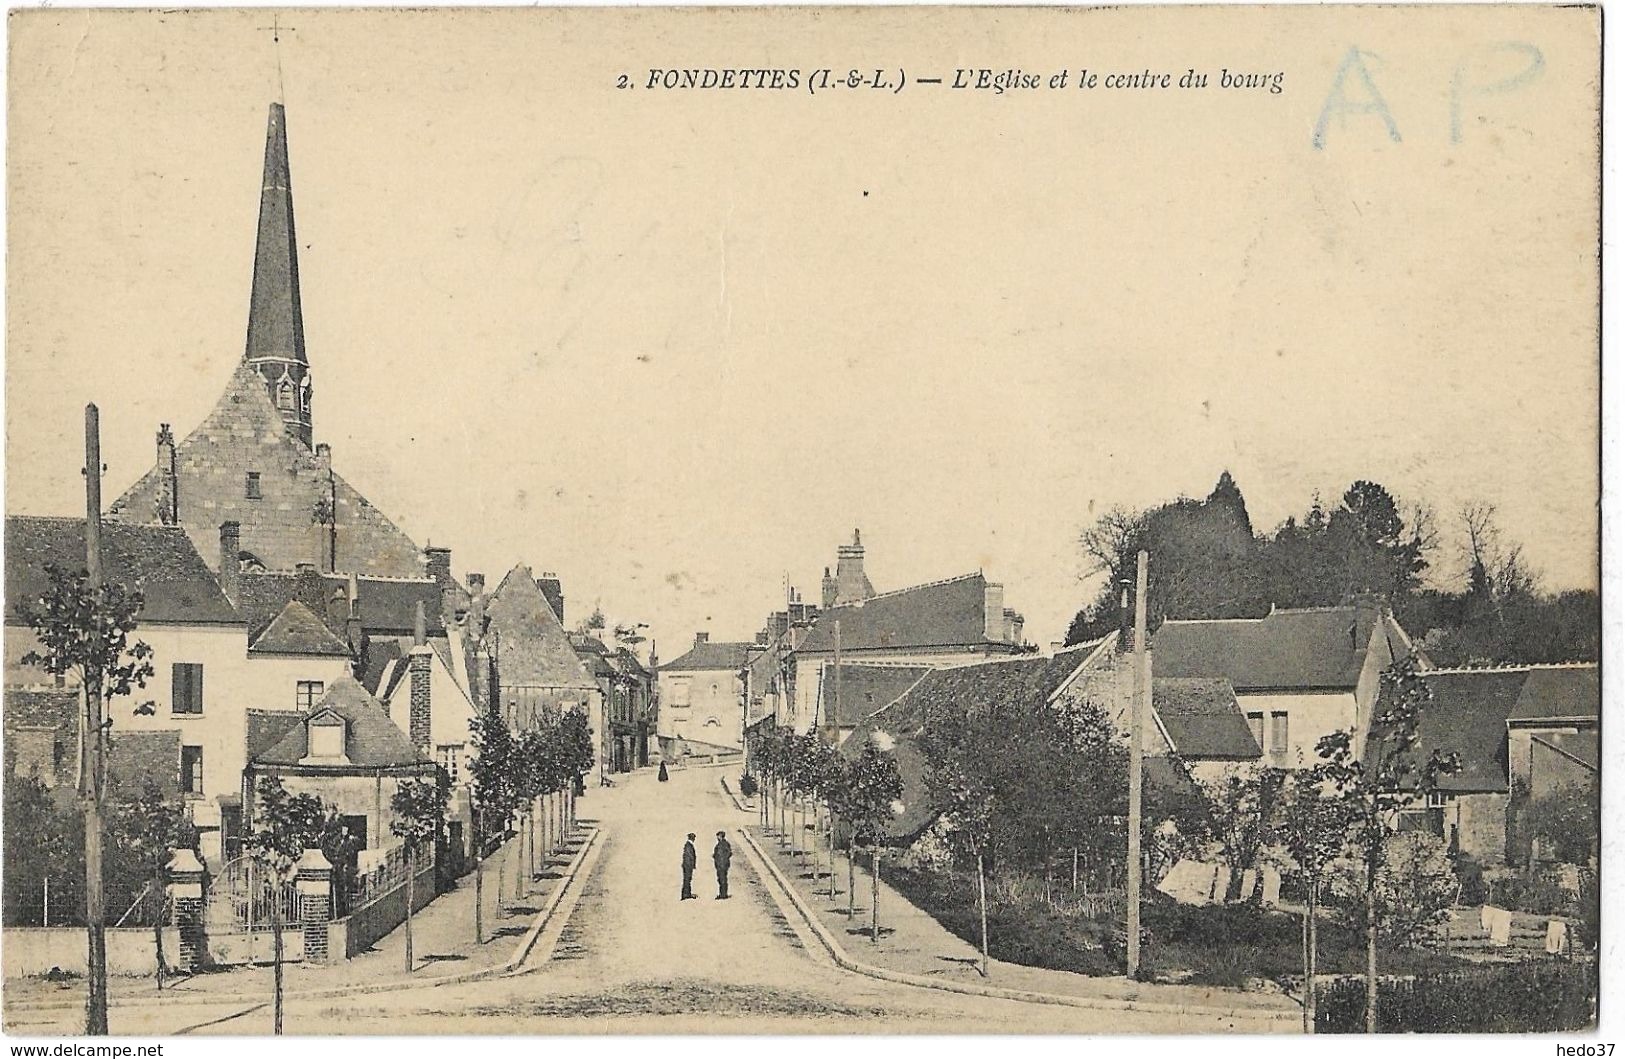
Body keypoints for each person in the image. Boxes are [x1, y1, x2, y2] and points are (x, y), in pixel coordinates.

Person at [713, 830, 732, 900]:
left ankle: (723, 894)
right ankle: (722, 893)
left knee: (722, 879)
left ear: (720, 836)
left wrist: (723, 860)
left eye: (718, 836)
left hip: (722, 865)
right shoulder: (722, 844)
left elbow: (728, 853)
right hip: (721, 865)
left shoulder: (723, 844)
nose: (717, 838)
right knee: (721, 879)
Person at [680, 833, 697, 900]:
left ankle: (687, 893)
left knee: (688, 879)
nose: (694, 839)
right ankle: (685, 895)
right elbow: (690, 856)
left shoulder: (689, 845)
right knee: (687, 879)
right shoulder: (688, 845)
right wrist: (692, 865)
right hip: (688, 866)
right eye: (693, 838)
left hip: (688, 865)